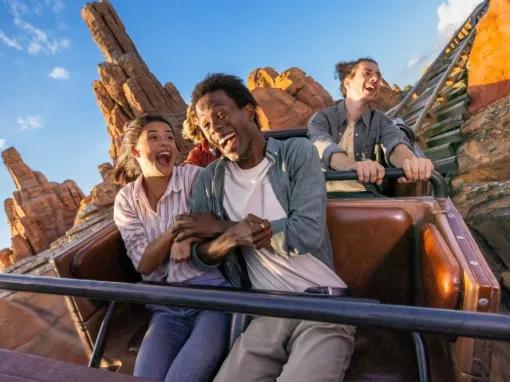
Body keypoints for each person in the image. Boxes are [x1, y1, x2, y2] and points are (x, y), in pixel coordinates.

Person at [175, 74, 355, 382]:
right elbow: (199, 256)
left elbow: (305, 233)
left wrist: (224, 227)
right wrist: (230, 237)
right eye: (206, 125)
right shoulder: (209, 180)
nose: (215, 128)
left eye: (220, 114)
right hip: (264, 314)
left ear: (247, 111)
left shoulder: (295, 153)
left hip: (323, 306)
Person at [112, 114, 229, 382]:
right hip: (166, 305)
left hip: (213, 295)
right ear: (135, 151)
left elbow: (216, 221)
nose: (165, 142)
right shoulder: (127, 199)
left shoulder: (194, 177)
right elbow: (144, 264)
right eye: (153, 137)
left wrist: (188, 235)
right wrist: (174, 232)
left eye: (169, 137)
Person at [307, 57, 434, 195]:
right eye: (367, 73)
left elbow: (395, 142)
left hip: (367, 195)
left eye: (378, 76)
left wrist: (411, 162)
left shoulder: (380, 120)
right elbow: (323, 146)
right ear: (347, 82)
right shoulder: (322, 118)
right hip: (324, 197)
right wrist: (353, 166)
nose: (375, 79)